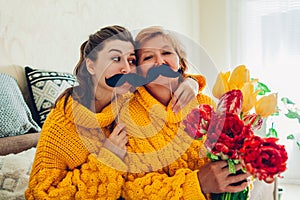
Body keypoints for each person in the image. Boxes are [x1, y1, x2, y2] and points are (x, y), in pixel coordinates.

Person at [25, 25, 201, 200]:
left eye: (131, 60)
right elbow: (39, 194)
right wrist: (107, 158)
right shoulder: (62, 124)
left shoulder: (127, 96)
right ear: (91, 66)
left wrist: (191, 82)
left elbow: (162, 76)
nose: (126, 69)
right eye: (115, 58)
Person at [116, 26, 251, 199]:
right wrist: (198, 183)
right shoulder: (128, 116)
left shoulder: (205, 104)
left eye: (166, 53)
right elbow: (132, 188)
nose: (159, 62)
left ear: (180, 63)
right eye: (149, 57)